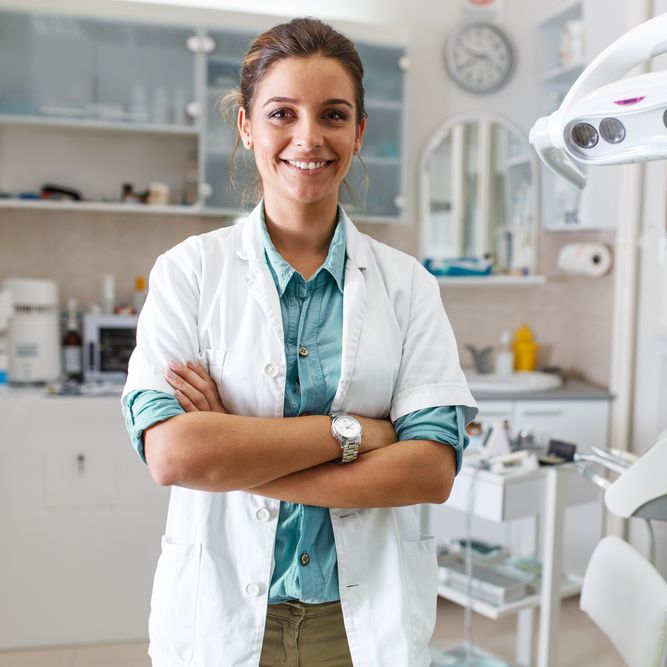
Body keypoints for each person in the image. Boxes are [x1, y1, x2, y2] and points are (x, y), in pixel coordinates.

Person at [122, 17, 477, 667]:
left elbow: (429, 469)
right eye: (281, 113)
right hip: (224, 615)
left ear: (358, 132)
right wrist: (355, 433)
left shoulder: (407, 286)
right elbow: (173, 455)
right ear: (247, 127)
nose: (308, 138)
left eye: (333, 115)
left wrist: (234, 445)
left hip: (359, 622)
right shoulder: (189, 273)